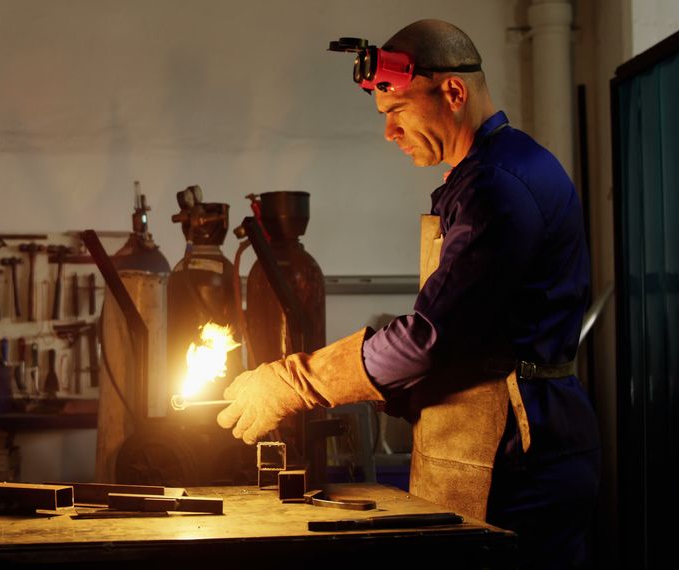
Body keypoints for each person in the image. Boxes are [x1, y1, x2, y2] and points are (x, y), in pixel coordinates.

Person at [217, 19, 600, 568]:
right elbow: (473, 333)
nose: (389, 132)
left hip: (516, 455)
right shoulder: (493, 173)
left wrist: (294, 382)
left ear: (452, 91)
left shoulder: (497, 187)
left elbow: (430, 338)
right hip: (510, 438)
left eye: (396, 111)